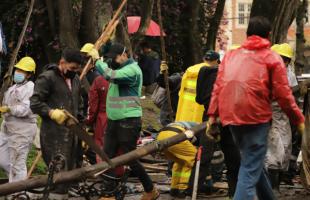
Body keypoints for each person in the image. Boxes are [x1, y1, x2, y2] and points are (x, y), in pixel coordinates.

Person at [207, 16, 305, 200]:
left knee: (252, 162)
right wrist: (299, 119)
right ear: (268, 35)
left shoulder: (230, 56)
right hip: (256, 118)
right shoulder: (271, 58)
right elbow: (284, 95)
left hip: (231, 117)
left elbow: (218, 87)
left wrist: (212, 116)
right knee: (250, 168)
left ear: (247, 34)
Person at [87, 43, 159, 200]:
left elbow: (109, 76)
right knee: (108, 156)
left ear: (123, 55)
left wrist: (98, 61)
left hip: (128, 121)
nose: (112, 60)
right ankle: (109, 192)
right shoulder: (120, 68)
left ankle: (150, 189)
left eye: (114, 58)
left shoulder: (132, 70)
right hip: (114, 121)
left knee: (129, 158)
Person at [30, 49, 84, 199]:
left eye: (77, 69)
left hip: (72, 133)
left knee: (71, 170)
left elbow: (79, 102)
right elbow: (34, 103)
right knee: (58, 173)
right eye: (72, 68)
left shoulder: (76, 79)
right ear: (62, 62)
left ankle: (65, 192)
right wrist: (51, 112)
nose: (74, 71)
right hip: (53, 134)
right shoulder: (47, 78)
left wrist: (80, 119)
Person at [195, 50, 240, 198]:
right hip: (226, 118)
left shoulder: (204, 72)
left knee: (204, 156)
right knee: (231, 157)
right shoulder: (230, 75)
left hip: (211, 116)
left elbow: (200, 99)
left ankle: (192, 190)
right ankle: (233, 193)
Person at [265, 43, 299, 192]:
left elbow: (293, 94)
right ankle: (272, 188)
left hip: (283, 117)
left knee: (285, 149)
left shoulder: (289, 74)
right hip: (269, 116)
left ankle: (276, 184)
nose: (283, 62)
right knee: (273, 152)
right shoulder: (266, 72)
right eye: (280, 58)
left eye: (285, 59)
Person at [0, 57, 37, 184]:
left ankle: (17, 194)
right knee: (4, 160)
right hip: (8, 128)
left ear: (29, 74)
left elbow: (26, 109)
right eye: (18, 69)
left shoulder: (31, 88)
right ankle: (14, 184)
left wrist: (9, 109)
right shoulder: (13, 87)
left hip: (22, 131)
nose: (18, 72)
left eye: (23, 71)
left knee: (18, 164)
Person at [156, 122, 198, 198]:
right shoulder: (202, 128)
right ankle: (182, 189)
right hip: (175, 135)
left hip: (161, 136)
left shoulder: (188, 123)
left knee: (180, 161)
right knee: (192, 158)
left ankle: (174, 188)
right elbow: (194, 140)